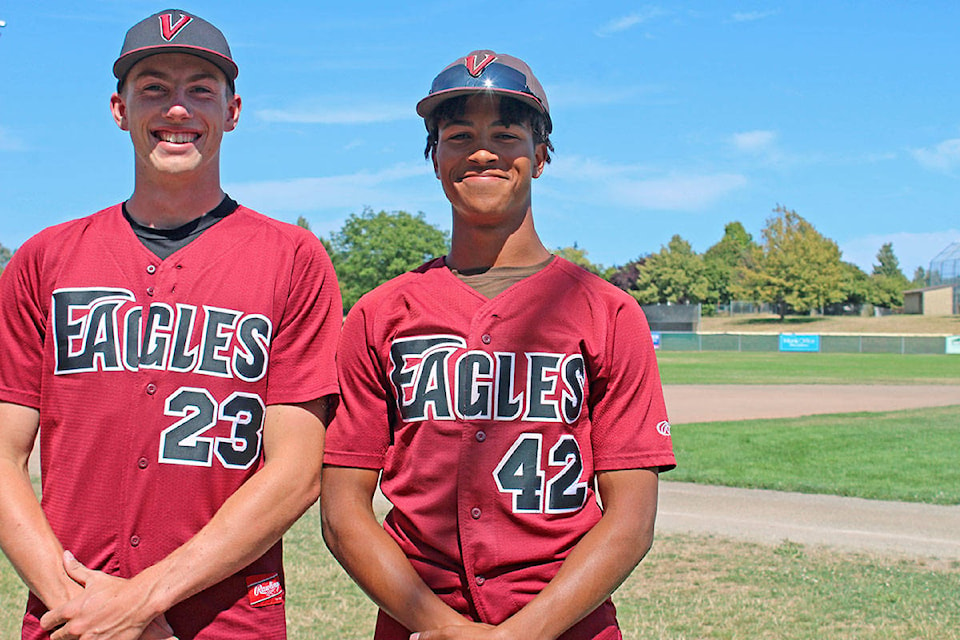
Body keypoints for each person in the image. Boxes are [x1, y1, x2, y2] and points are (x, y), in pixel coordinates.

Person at [0, 9, 340, 639]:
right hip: (68, 615)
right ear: (119, 109)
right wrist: (80, 606)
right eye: (153, 88)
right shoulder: (44, 259)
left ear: (233, 112)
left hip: (227, 616)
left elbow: (295, 470)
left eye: (200, 90)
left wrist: (142, 601)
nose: (177, 108)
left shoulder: (293, 258)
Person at [321, 50, 676, 640]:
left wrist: (518, 636)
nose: (482, 152)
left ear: (540, 157)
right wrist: (443, 627)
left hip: (568, 622)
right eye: (459, 136)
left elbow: (633, 519)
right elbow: (341, 512)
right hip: (418, 622)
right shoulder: (380, 314)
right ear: (435, 158)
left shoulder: (609, 312)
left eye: (506, 134)